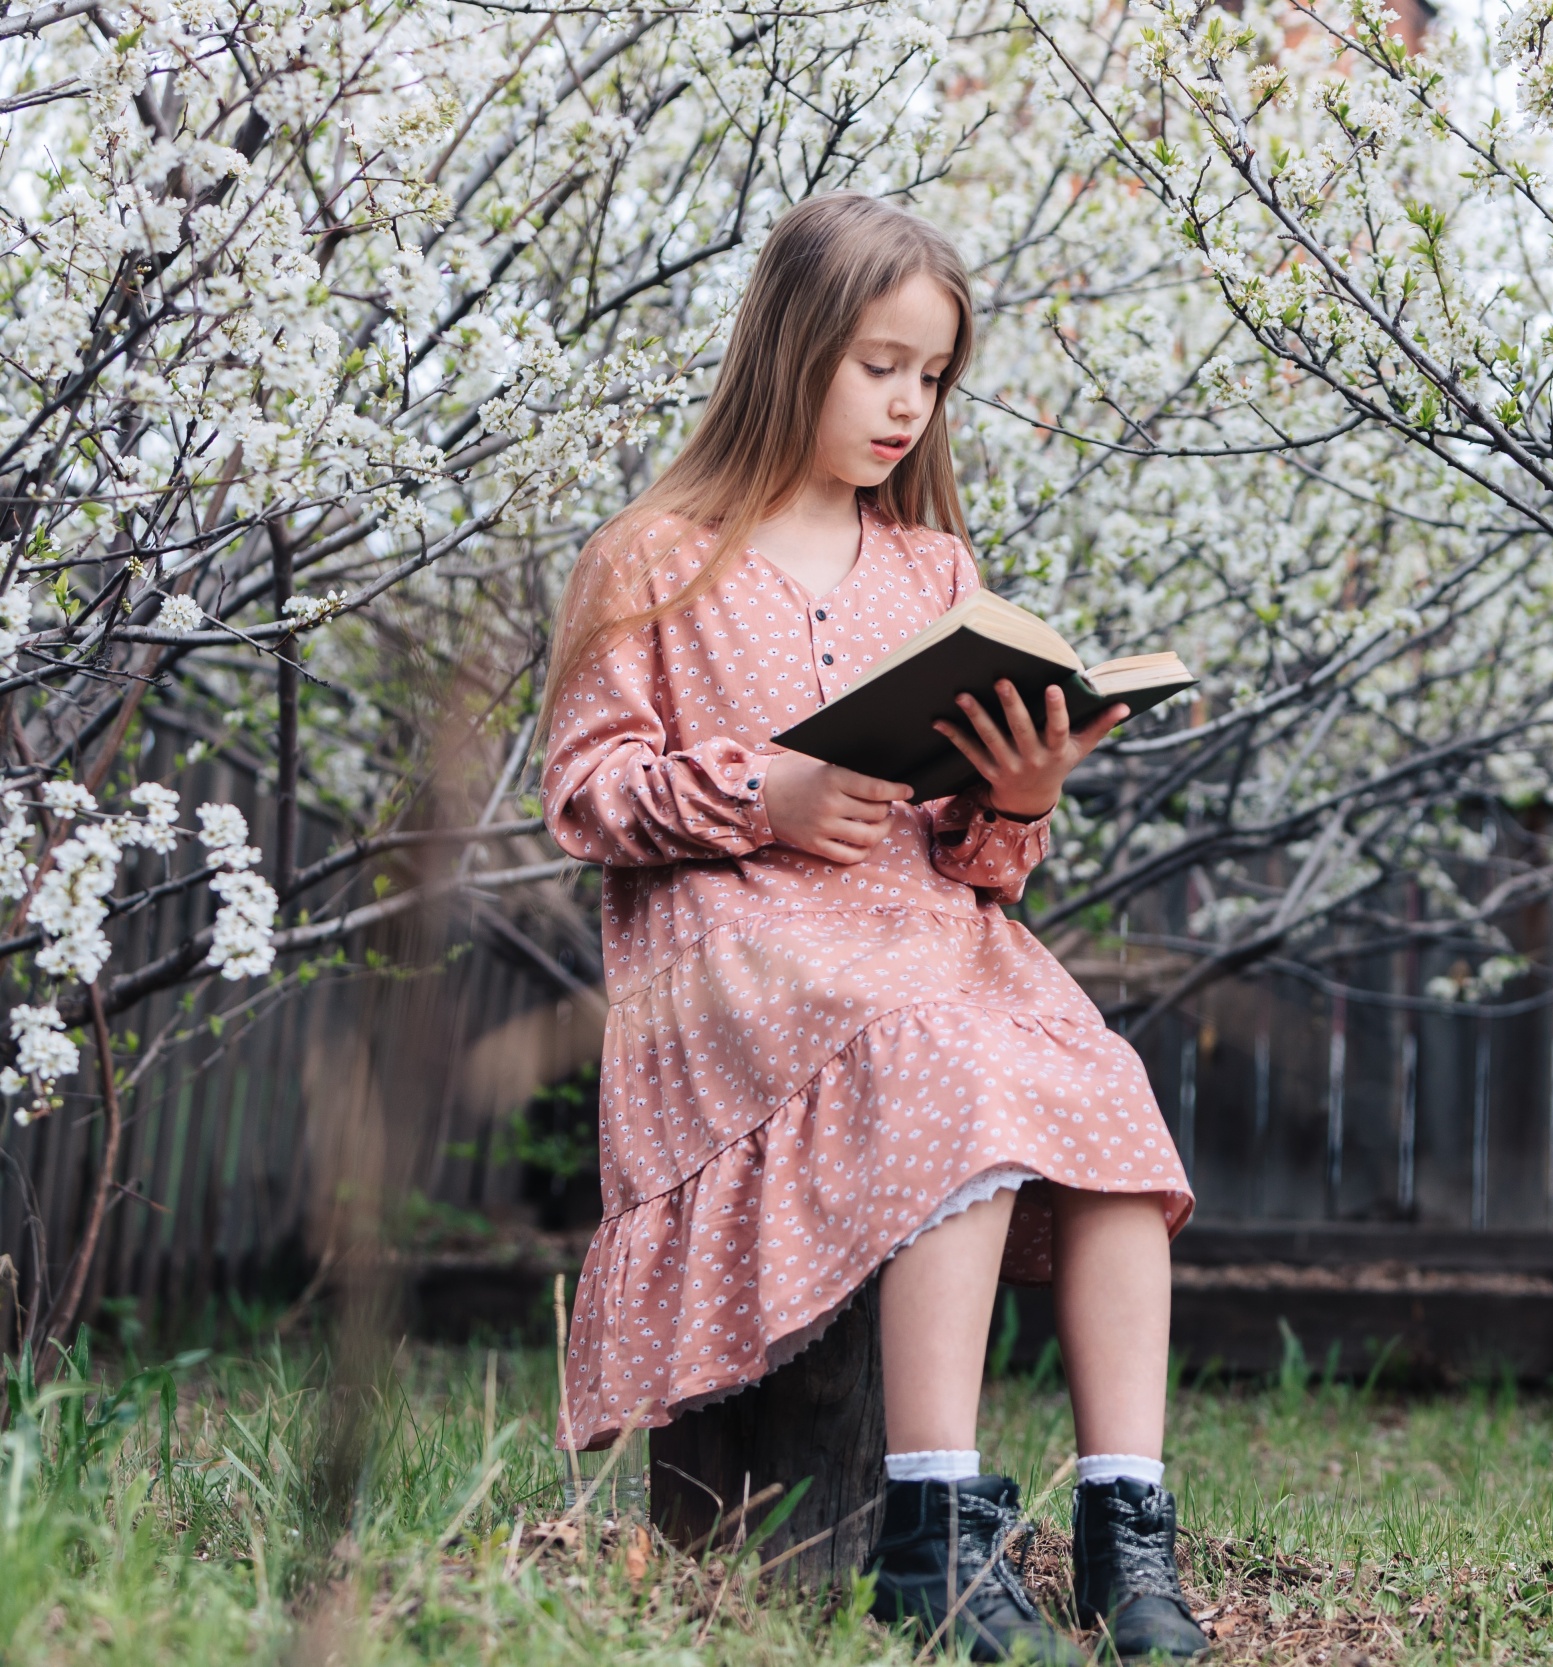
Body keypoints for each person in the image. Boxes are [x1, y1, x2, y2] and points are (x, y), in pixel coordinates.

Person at [540, 191, 1204, 1662]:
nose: (908, 403)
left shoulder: (932, 571)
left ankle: (1125, 1533)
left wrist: (1015, 797)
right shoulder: (654, 556)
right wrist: (758, 792)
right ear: (792, 351)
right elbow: (583, 795)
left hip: (922, 932)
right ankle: (934, 1530)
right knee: (942, 1066)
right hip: (739, 947)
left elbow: (973, 859)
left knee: (1107, 1093)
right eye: (877, 365)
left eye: (932, 376)